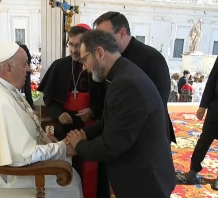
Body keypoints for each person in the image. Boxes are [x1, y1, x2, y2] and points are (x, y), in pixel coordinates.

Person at [66, 29, 176, 198]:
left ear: (100, 53)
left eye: (85, 59)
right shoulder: (121, 73)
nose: (84, 67)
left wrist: (79, 145)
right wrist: (84, 134)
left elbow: (111, 146)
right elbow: (110, 121)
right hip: (143, 171)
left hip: (145, 180)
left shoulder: (125, 83)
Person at [0, 42, 83, 198]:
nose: (29, 69)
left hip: (7, 161)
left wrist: (45, 140)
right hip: (2, 173)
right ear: (8, 68)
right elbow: (20, 157)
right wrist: (62, 148)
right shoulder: (0, 102)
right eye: (24, 64)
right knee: (70, 179)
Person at [38, 24, 106, 198]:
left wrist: (91, 110)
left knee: (91, 170)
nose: (74, 50)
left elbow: (106, 100)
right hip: (64, 126)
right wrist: (59, 113)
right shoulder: (59, 66)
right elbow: (49, 98)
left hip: (90, 127)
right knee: (65, 167)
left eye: (78, 45)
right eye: (71, 44)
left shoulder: (96, 67)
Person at [93, 11, 176, 144]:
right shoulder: (110, 58)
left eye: (104, 37)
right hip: (120, 131)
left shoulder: (152, 59)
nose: (100, 44)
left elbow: (156, 104)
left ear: (122, 33)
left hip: (147, 137)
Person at [186, 56, 218, 186]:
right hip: (217, 104)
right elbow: (212, 80)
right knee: (205, 138)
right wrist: (203, 105)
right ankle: (193, 169)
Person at [16, 41, 34, 108]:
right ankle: (30, 103)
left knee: (17, 88)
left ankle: (17, 103)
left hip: (19, 72)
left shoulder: (17, 50)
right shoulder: (24, 48)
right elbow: (29, 58)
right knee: (27, 88)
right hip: (26, 71)